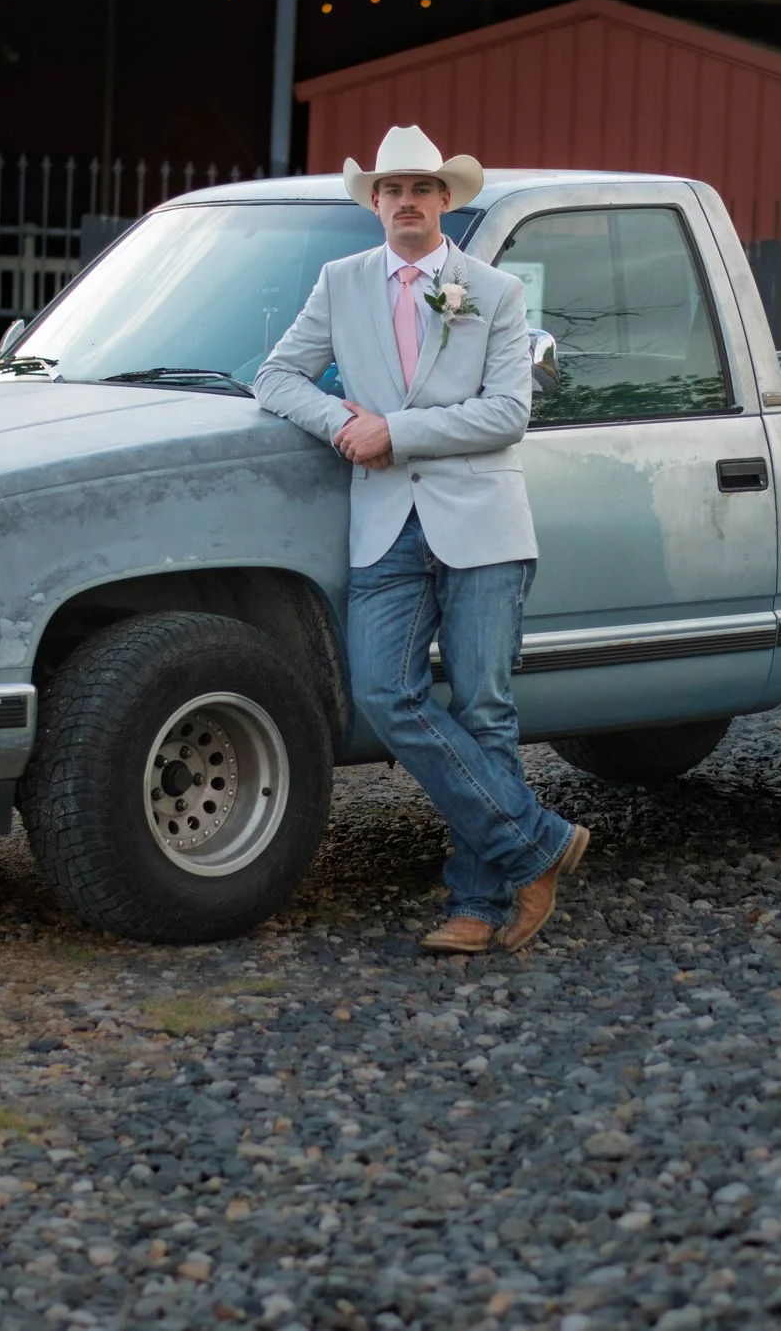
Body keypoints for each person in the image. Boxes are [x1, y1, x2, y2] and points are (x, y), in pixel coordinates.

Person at [254, 126, 587, 955]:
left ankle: (475, 905)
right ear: (374, 202)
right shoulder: (341, 283)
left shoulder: (495, 292)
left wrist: (393, 432)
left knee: (484, 709)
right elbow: (276, 377)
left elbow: (509, 413)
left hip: (482, 526)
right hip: (385, 526)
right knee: (382, 693)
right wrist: (343, 426)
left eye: (422, 189)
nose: (406, 201)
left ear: (446, 201)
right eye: (392, 189)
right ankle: (536, 840)